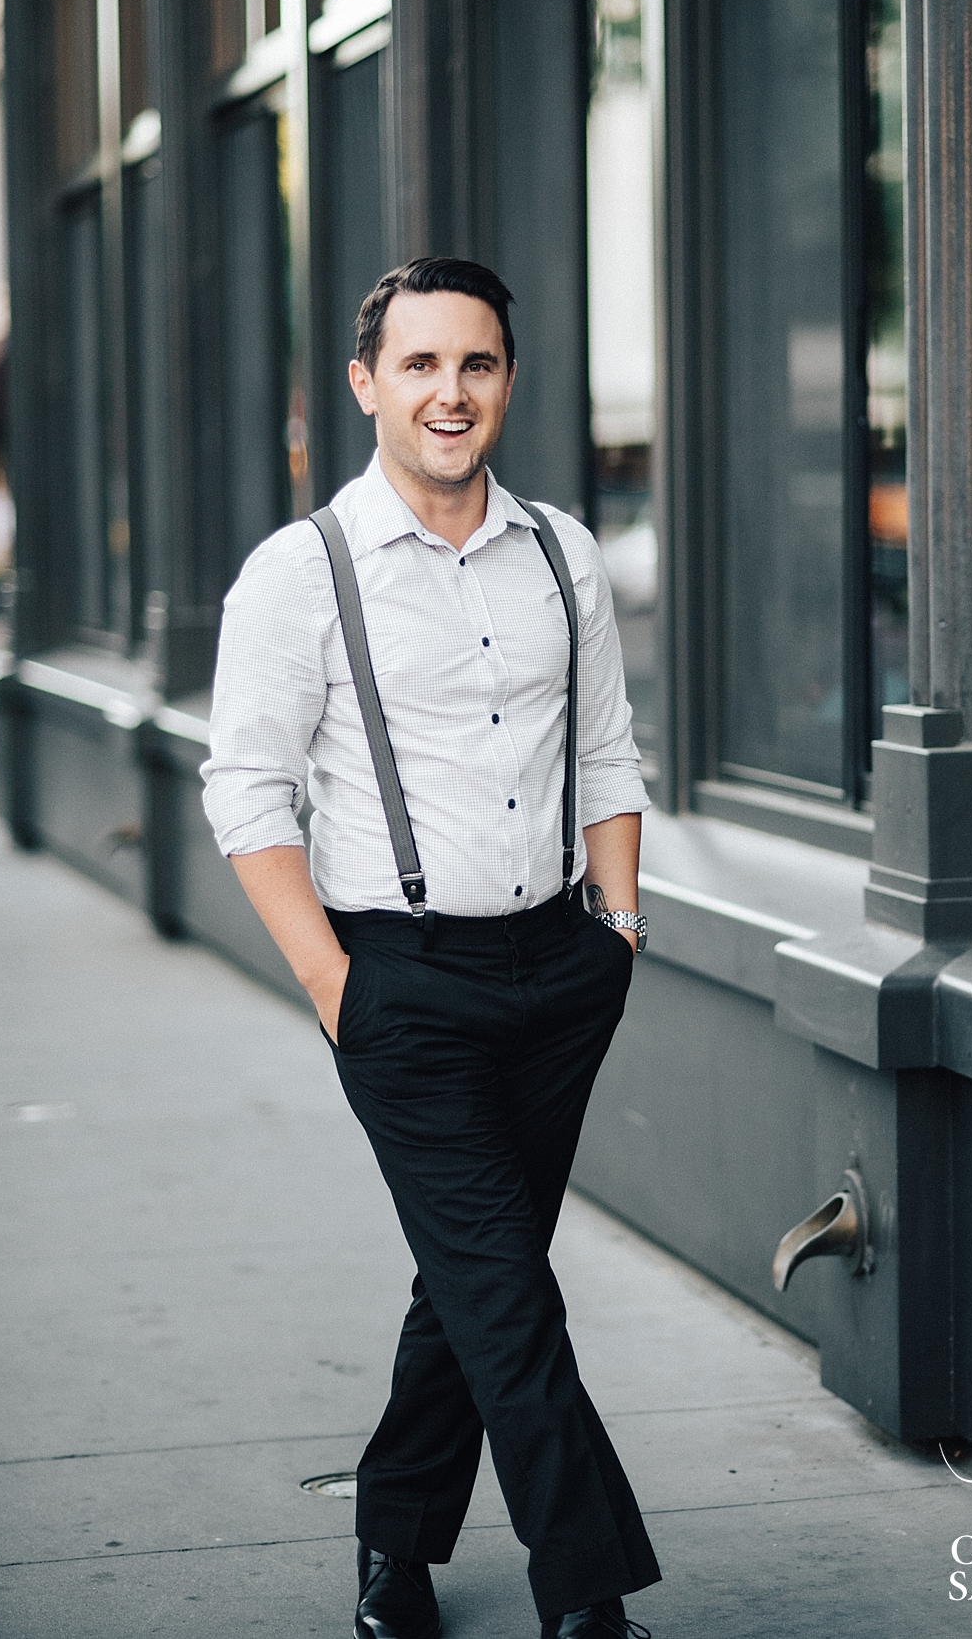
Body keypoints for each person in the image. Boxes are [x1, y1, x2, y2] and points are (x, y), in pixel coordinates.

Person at [201, 257, 660, 1639]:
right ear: (366, 385)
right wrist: (340, 988)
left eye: (476, 364)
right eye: (419, 365)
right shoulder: (301, 573)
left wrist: (620, 925)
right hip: (401, 980)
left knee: (471, 1277)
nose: (449, 392)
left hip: (562, 967)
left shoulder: (561, 552)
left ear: (507, 382)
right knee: (509, 1299)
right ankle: (587, 1592)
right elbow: (248, 792)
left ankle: (393, 1544)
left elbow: (607, 752)